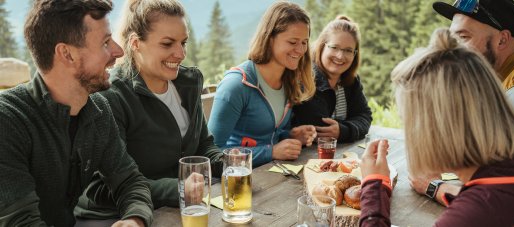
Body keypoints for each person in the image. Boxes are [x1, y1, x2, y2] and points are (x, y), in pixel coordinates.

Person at [359, 28, 514, 227]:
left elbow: (485, 212)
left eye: (409, 121)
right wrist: (438, 189)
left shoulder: (476, 214)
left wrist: (375, 184)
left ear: (436, 128)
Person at [0, 0, 153, 226]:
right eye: (105, 42)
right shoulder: (8, 120)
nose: (118, 51)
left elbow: (130, 181)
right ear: (67, 54)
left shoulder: (99, 111)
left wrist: (134, 219)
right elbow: (21, 222)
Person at [73, 0, 224, 220]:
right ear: (135, 43)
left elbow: (203, 145)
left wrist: (227, 163)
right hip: (116, 216)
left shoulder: (189, 84)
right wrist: (177, 187)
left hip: (182, 207)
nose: (180, 53)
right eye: (167, 44)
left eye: (184, 42)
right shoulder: (112, 96)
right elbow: (100, 187)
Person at [410, 0, 514, 207]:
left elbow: (507, 199)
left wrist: (435, 187)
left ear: (502, 40)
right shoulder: (495, 79)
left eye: (463, 37)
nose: (452, 48)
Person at [208, 1, 317, 167]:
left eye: (304, 42)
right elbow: (212, 153)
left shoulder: (289, 81)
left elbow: (268, 135)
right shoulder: (236, 86)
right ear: (270, 38)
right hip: (237, 182)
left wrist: (291, 135)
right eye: (293, 42)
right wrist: (271, 152)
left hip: (271, 178)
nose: (301, 50)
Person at [292, 15, 372, 143]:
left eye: (348, 50)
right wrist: (350, 126)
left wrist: (343, 130)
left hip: (341, 155)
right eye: (334, 47)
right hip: (305, 158)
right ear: (322, 46)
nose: (340, 56)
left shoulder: (351, 80)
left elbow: (365, 116)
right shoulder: (307, 78)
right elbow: (320, 128)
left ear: (354, 54)